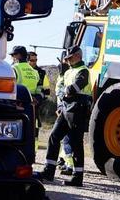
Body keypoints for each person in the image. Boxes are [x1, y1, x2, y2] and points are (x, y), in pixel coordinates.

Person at [39, 46, 92, 187]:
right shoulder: (69, 71)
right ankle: (48, 171)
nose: (67, 61)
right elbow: (62, 89)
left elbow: (77, 86)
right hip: (66, 108)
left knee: (76, 143)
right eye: (66, 58)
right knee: (54, 137)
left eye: (70, 58)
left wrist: (67, 91)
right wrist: (63, 95)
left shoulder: (83, 70)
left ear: (78, 57)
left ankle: (77, 177)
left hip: (78, 109)